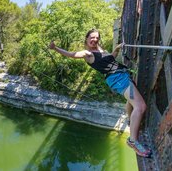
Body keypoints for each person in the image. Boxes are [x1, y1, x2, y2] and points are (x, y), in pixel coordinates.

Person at [49, 29, 151, 157]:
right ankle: (133, 141)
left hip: (122, 75)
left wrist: (117, 48)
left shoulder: (100, 50)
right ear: (86, 39)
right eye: (92, 37)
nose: (95, 40)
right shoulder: (88, 53)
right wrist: (55, 48)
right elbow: (72, 54)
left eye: (97, 37)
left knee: (131, 102)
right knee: (140, 107)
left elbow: (111, 59)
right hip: (117, 79)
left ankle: (131, 121)